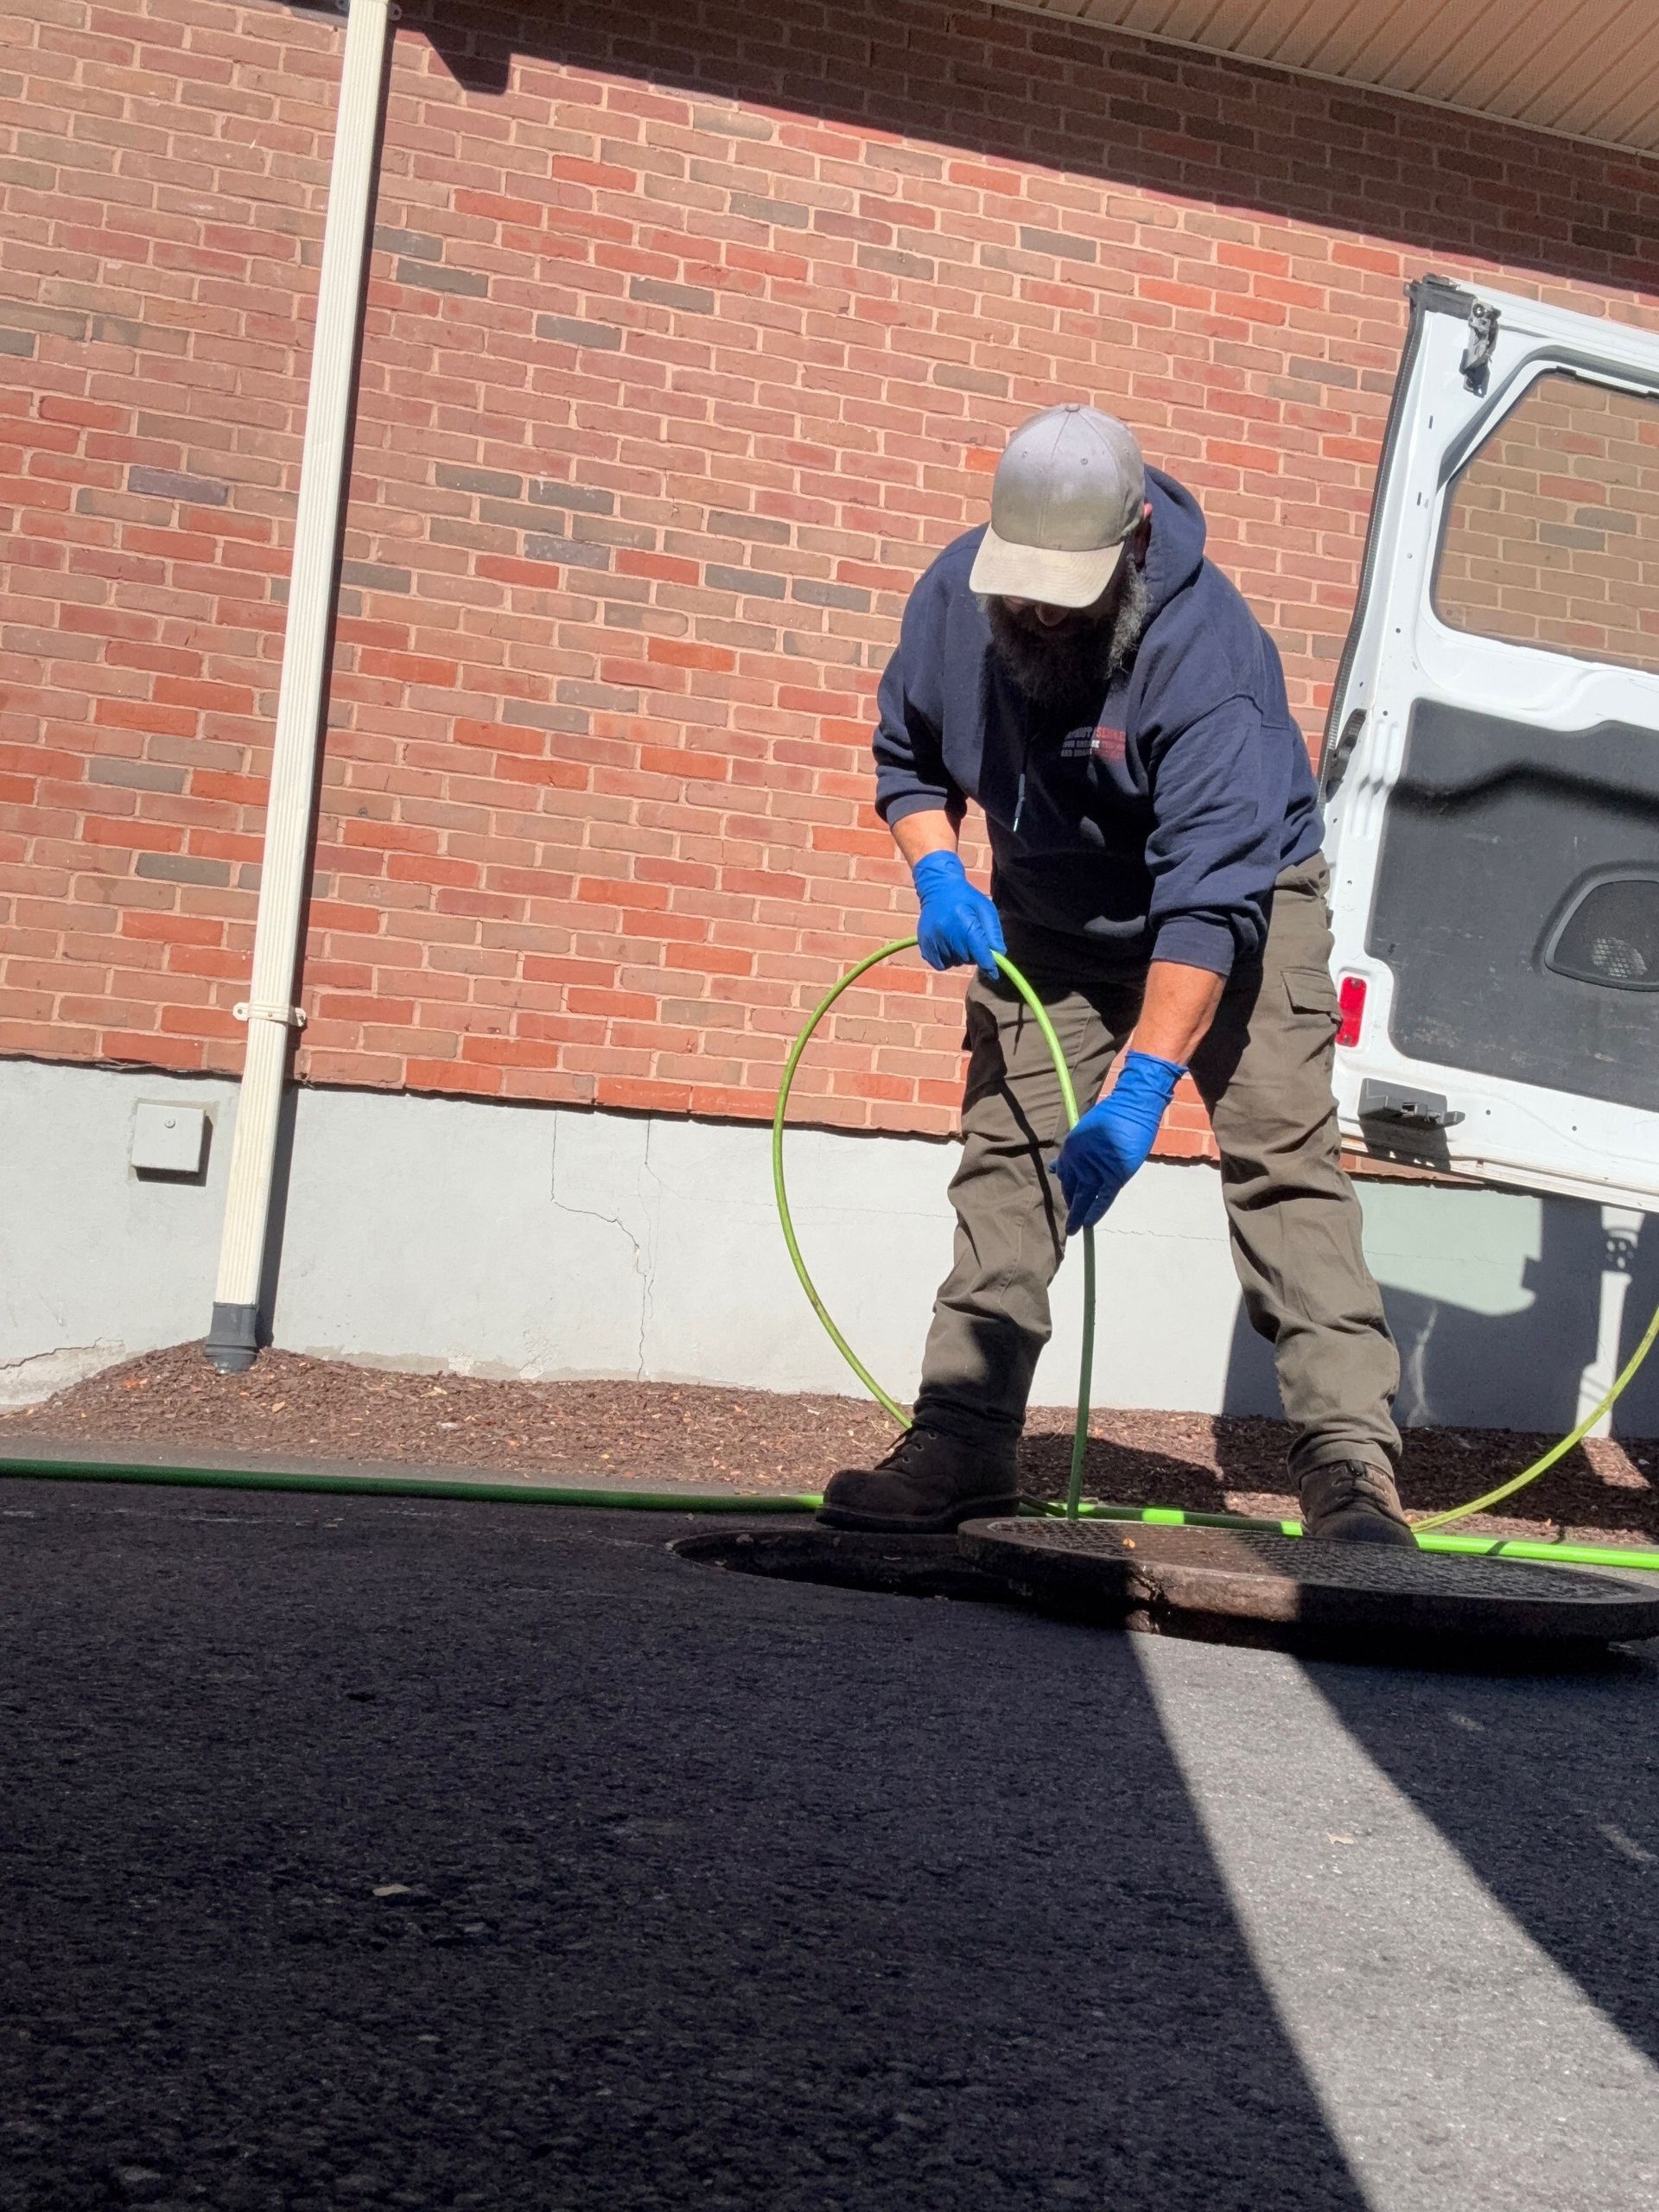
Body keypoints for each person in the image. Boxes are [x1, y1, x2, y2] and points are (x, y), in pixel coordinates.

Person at [818, 404, 1412, 1546]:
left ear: (1135, 541)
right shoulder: (955, 599)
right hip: (1048, 909)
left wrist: (1140, 1091)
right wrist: (941, 872)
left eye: (1064, 585)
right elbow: (907, 759)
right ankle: (963, 1437)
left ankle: (1348, 1471)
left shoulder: (1212, 662)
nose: (1036, 608)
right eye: (1019, 581)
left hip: (1242, 899)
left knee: (1284, 1166)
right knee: (1013, 1152)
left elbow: (1206, 907)